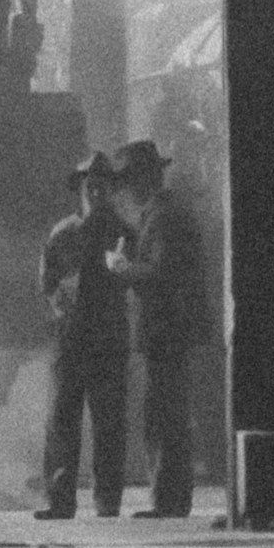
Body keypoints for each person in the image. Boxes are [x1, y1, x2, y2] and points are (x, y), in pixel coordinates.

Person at [103, 140, 202, 519]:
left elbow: (161, 274)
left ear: (141, 180)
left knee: (164, 416)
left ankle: (169, 501)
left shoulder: (163, 217)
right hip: (170, 327)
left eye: (125, 182)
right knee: (166, 413)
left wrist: (123, 269)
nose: (122, 191)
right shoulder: (163, 213)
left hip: (167, 328)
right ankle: (170, 499)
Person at [36, 154, 126, 520]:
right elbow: (47, 282)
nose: (97, 191)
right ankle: (60, 500)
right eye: (91, 185)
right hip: (72, 340)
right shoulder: (63, 233)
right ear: (82, 191)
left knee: (109, 422)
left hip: (108, 339)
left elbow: (136, 276)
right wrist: (58, 298)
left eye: (103, 185)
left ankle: (107, 502)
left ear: (111, 190)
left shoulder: (123, 232)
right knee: (63, 419)